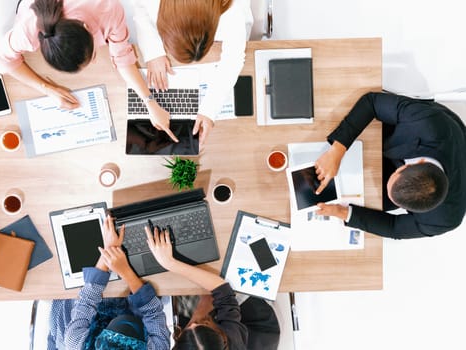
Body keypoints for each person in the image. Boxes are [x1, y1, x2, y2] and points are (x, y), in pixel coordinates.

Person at [0, 0, 178, 142]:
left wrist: (150, 102)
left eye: (94, 54)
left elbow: (123, 58)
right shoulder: (28, 29)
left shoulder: (108, 8)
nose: (96, 59)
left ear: (88, 29)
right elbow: (1, 58)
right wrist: (47, 88)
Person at [314, 92, 466, 239]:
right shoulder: (427, 123)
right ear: (412, 164)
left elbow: (394, 228)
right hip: (406, 135)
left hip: (415, 167)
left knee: (368, 200)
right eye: (393, 179)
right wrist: (337, 150)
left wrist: (342, 212)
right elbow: (372, 102)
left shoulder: (444, 219)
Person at [132, 0, 253, 146]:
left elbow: (233, 57)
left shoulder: (232, 9)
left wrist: (209, 110)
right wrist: (153, 52)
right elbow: (140, 8)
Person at [146, 226, 280, 349]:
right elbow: (222, 291)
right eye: (201, 324)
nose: (191, 324)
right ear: (222, 338)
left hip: (220, 320)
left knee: (177, 289)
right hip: (257, 324)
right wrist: (169, 263)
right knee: (229, 268)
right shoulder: (233, 340)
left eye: (187, 330)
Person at [48, 216, 171, 349]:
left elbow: (87, 299)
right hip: (135, 308)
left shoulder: (75, 343)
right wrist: (126, 271)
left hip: (82, 322)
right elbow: (152, 311)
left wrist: (109, 250)